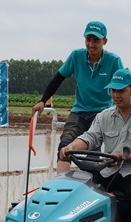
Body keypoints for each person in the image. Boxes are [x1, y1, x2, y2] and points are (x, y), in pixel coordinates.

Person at [59, 69, 131, 222]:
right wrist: (71, 147)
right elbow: (90, 138)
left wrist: (123, 157)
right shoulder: (104, 116)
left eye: (121, 91)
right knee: (80, 188)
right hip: (109, 169)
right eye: (113, 91)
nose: (116, 95)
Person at [32, 21, 124, 174]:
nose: (91, 44)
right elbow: (58, 79)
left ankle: (93, 189)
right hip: (79, 110)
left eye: (96, 40)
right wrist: (43, 100)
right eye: (88, 39)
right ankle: (61, 186)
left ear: (105, 41)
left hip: (102, 113)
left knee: (93, 153)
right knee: (65, 147)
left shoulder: (113, 61)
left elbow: (122, 86)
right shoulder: (76, 56)